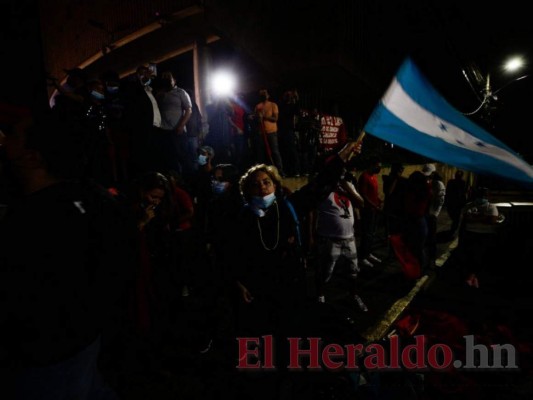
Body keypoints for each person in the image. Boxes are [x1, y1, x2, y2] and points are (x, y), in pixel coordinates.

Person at [0, 109, 131, 399]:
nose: (4, 140)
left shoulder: (31, 221)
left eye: (12, 135)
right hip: (85, 342)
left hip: (44, 358)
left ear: (33, 157)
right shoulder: (94, 197)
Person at [314, 172, 367, 311]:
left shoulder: (347, 187)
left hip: (349, 238)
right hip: (329, 239)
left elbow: (361, 203)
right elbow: (312, 211)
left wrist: (346, 188)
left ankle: (353, 295)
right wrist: (311, 236)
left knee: (353, 270)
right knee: (325, 271)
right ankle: (320, 296)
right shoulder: (323, 188)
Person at [457, 187, 502, 288]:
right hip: (474, 234)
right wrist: (483, 218)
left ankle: (472, 277)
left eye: (483, 195)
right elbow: (466, 220)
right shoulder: (471, 206)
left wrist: (474, 218)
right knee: (472, 256)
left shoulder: (489, 207)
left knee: (478, 256)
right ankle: (472, 278)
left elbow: (491, 221)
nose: (482, 197)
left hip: (482, 235)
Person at [250, 88, 285, 176]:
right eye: (261, 94)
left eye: (264, 93)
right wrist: (254, 118)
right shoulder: (258, 106)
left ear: (268, 95)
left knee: (274, 151)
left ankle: (280, 171)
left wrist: (264, 117)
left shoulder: (273, 105)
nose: (263, 95)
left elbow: (275, 119)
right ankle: (263, 172)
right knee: (261, 153)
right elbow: (256, 118)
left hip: (271, 132)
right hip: (261, 133)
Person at [358, 156, 383, 268]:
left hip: (374, 209)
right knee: (366, 233)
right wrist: (373, 205)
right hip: (368, 210)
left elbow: (373, 193)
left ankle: (368, 253)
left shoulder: (374, 177)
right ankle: (362, 256)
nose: (380, 168)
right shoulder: (364, 177)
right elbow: (363, 195)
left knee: (372, 233)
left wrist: (378, 200)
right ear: (372, 165)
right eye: (378, 166)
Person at [445, 170, 469, 238]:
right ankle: (453, 231)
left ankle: (453, 231)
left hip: (456, 203)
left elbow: (464, 193)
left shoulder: (461, 182)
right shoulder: (456, 182)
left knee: (456, 218)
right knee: (455, 218)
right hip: (454, 202)